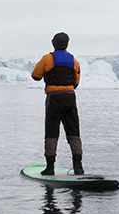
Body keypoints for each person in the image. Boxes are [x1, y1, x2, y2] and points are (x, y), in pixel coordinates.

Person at [31, 32, 83, 175]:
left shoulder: (47, 58)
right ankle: (78, 167)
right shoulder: (73, 60)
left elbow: (35, 75)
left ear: (53, 43)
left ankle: (50, 168)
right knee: (73, 131)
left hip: (54, 98)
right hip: (70, 97)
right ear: (67, 44)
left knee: (52, 131)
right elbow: (76, 81)